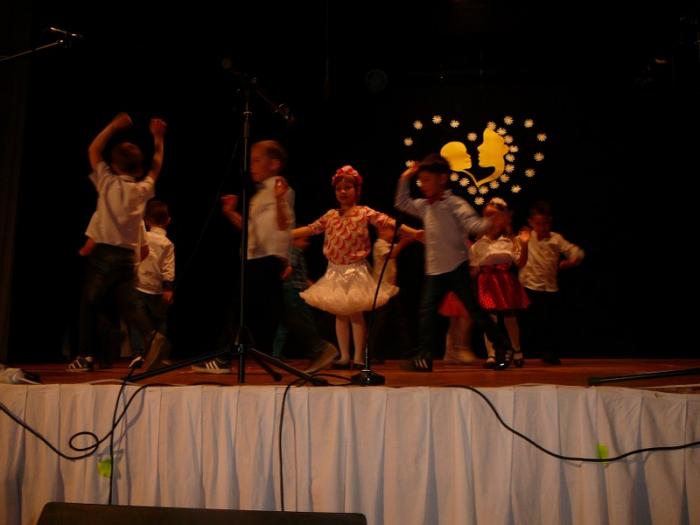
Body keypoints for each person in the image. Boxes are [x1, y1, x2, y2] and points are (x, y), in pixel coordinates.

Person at [394, 153, 514, 371]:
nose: (423, 185)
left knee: (475, 310)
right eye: (420, 181)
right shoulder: (424, 206)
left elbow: (474, 225)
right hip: (434, 270)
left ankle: (503, 347)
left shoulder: (455, 204)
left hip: (457, 267)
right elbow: (401, 202)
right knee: (426, 314)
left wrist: (492, 221)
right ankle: (424, 357)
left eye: (427, 180)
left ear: (442, 179)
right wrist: (405, 177)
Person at [293, 165, 419, 369]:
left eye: (348, 187)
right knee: (340, 314)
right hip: (335, 271)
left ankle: (359, 357)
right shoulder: (331, 215)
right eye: (339, 188)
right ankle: (344, 356)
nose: (343, 191)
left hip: (355, 269)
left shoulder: (363, 212)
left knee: (355, 314)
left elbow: (388, 221)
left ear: (357, 190)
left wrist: (413, 232)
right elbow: (311, 228)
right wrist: (285, 235)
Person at [68, 113, 167, 371]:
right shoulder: (141, 190)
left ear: (113, 165)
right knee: (128, 305)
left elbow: (93, 149)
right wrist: (158, 138)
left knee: (89, 302)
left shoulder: (107, 182)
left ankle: (86, 355)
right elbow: (156, 167)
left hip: (104, 254)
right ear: (138, 168)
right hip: (126, 257)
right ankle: (152, 335)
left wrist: (113, 126)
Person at [193, 140, 294, 373]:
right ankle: (312, 347)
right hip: (257, 258)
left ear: (274, 164)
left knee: (241, 309)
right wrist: (230, 213)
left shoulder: (280, 187)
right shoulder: (259, 195)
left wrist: (279, 199)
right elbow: (250, 229)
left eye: (257, 160)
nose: (251, 166)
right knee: (258, 310)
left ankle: (224, 358)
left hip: (266, 259)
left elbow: (284, 225)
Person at [518, 200, 584, 364]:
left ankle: (548, 352)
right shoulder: (526, 237)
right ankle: (523, 351)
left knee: (549, 321)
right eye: (538, 223)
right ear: (531, 222)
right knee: (530, 321)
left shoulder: (556, 238)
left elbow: (575, 251)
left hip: (549, 286)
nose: (542, 227)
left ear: (550, 222)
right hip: (529, 285)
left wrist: (572, 261)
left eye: (545, 223)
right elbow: (515, 254)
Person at [470, 197, 530, 368]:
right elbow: (473, 269)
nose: (491, 220)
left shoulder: (509, 241)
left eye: (495, 216)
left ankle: (517, 350)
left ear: (503, 219)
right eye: (488, 217)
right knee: (490, 318)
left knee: (510, 316)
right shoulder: (478, 245)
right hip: (487, 282)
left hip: (505, 281)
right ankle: (492, 354)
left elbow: (520, 263)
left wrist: (524, 245)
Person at [273, 236, 339, 373]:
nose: (306, 243)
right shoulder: (294, 251)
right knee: (300, 321)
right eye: (303, 240)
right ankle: (319, 351)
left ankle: (318, 352)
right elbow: (289, 269)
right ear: (294, 240)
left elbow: (303, 277)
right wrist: (282, 277)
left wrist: (315, 287)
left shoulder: (295, 252)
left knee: (292, 322)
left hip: (296, 290)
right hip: (293, 290)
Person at [130, 200, 175, 370]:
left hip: (139, 285)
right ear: (168, 220)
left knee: (136, 320)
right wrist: (168, 288)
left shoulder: (142, 238)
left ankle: (138, 354)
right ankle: (160, 354)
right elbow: (168, 268)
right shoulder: (168, 243)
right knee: (159, 321)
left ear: (147, 221)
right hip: (157, 288)